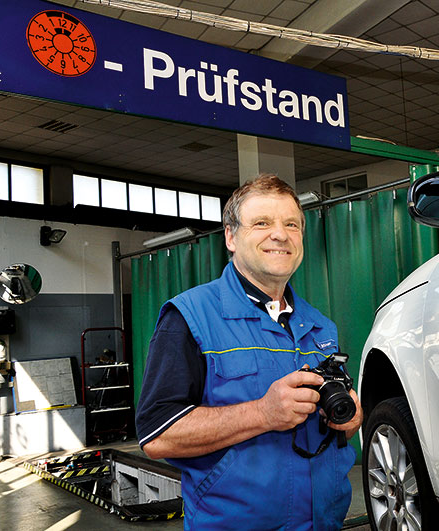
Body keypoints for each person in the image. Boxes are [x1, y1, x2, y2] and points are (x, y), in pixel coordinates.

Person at [135, 174, 363, 530]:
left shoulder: (320, 327)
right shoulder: (190, 316)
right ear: (231, 236)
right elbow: (157, 435)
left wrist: (346, 418)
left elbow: (332, 433)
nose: (280, 234)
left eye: (291, 224)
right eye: (262, 223)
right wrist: (263, 413)